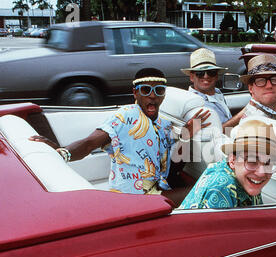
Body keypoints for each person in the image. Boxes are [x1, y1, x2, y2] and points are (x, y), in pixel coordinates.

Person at [29, 68, 211, 204]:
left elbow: (172, 168)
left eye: (159, 91)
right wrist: (61, 153)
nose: (153, 96)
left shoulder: (163, 124)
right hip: (133, 198)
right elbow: (89, 143)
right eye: (146, 90)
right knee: (207, 190)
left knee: (205, 187)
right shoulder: (125, 117)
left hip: (158, 190)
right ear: (135, 93)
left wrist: (186, 134)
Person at [179, 119, 276, 209]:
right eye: (251, 161)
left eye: (269, 164)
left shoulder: (247, 179)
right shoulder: (221, 188)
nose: (261, 173)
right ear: (232, 160)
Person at [181, 48, 241, 131]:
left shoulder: (217, 92)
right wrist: (243, 114)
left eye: (211, 72)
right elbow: (217, 132)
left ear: (216, 76)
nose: (206, 76)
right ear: (192, 77)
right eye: (200, 73)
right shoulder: (193, 102)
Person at [239, 54, 276, 124]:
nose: (269, 86)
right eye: (261, 81)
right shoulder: (254, 123)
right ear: (251, 88)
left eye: (274, 80)